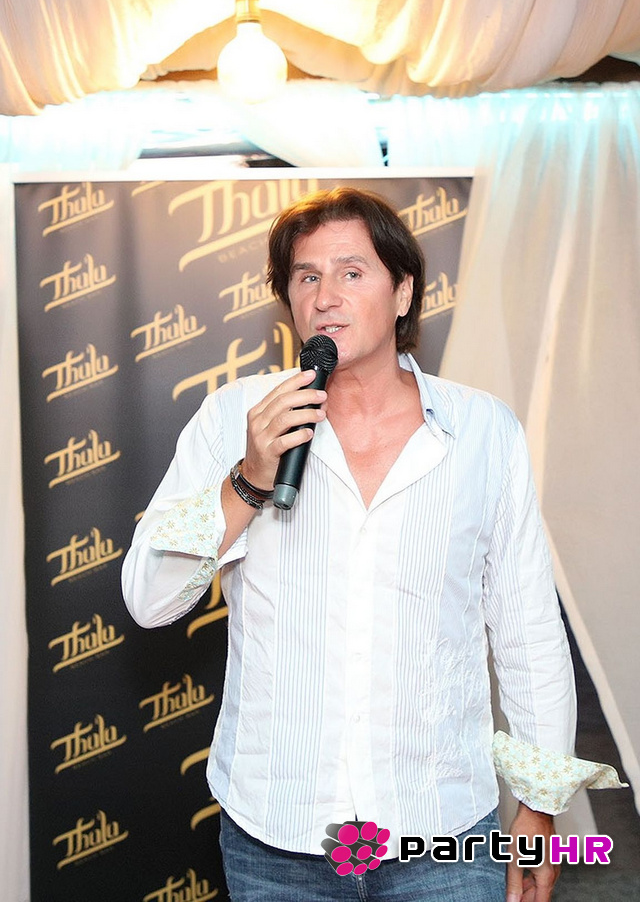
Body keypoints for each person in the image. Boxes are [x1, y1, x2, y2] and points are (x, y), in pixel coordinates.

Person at [122, 186, 581, 902]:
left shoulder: (485, 433)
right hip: (277, 837)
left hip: (442, 833)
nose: (326, 296)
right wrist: (247, 480)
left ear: (403, 292)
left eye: (352, 272)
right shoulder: (233, 418)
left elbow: (527, 630)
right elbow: (150, 600)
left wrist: (540, 804)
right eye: (307, 276)